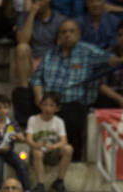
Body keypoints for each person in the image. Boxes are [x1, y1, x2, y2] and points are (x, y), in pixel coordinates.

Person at [29, 18, 115, 161]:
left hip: (73, 101)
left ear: (79, 34)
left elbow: (110, 59)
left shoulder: (87, 51)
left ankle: (73, 158)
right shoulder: (50, 54)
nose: (68, 35)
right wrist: (39, 97)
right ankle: (33, 146)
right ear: (59, 36)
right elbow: (36, 78)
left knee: (74, 114)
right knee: (21, 94)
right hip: (49, 100)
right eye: (64, 32)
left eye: (71, 31)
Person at [25, 92, 73, 192]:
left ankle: (59, 181)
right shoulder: (33, 119)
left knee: (68, 149)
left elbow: (64, 141)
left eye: (51, 105)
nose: (47, 108)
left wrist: (53, 146)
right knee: (37, 153)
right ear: (40, 105)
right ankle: (40, 184)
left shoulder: (59, 121)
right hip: (38, 151)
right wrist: (36, 145)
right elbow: (28, 139)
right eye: (45, 104)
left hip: (53, 151)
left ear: (57, 108)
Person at [15, 0, 68, 89]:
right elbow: (22, 40)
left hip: (51, 59)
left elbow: (61, 47)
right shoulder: (24, 17)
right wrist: (31, 15)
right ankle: (24, 89)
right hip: (30, 60)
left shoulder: (60, 20)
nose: (38, 2)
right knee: (22, 48)